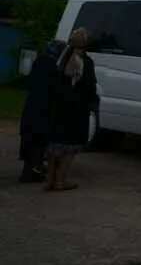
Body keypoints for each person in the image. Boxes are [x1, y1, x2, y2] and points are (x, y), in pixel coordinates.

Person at [46, 28, 96, 192]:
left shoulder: (62, 58)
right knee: (70, 147)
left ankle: (50, 180)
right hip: (76, 109)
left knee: (56, 145)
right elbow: (89, 86)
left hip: (60, 107)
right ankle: (60, 181)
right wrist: (92, 102)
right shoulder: (85, 61)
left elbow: (54, 82)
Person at [17, 40, 63, 183]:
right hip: (43, 107)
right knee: (38, 138)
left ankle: (29, 169)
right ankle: (33, 170)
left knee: (30, 137)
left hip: (32, 104)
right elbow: (55, 88)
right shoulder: (52, 67)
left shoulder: (39, 62)